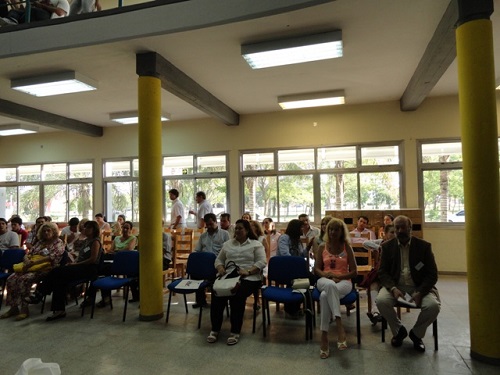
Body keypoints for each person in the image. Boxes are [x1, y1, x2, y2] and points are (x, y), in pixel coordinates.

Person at [376, 215, 440, 353]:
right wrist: (392, 288)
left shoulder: (424, 247)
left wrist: (420, 292)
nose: (399, 231)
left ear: (410, 228)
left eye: (402, 227)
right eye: (396, 228)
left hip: (418, 286)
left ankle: (416, 334)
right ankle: (399, 332)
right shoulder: (387, 247)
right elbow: (382, 272)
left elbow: (432, 274)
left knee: (433, 306)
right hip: (395, 285)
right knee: (381, 301)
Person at [29, 220, 103, 321]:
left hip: (89, 269)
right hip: (79, 266)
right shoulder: (86, 241)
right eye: (85, 227)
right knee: (59, 280)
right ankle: (59, 310)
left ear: (94, 230)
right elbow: (80, 256)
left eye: (88, 228)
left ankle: (40, 292)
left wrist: (75, 264)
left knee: (57, 271)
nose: (85, 229)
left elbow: (93, 259)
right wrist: (74, 262)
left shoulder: (95, 241)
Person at [207, 219, 266, 346]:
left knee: (237, 294)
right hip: (229, 275)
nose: (238, 231)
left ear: (247, 230)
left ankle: (235, 331)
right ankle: (215, 329)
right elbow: (218, 260)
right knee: (217, 293)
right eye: (236, 228)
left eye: (241, 228)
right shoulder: (228, 244)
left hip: (249, 277)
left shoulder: (256, 244)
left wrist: (248, 271)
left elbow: (262, 262)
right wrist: (220, 268)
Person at [0, 222, 65, 321]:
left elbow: (52, 257)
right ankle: (13, 308)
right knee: (11, 279)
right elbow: (29, 253)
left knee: (23, 279)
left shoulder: (58, 242)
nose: (46, 233)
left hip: (45, 269)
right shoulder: (40, 242)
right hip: (30, 266)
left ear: (54, 231)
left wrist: (33, 263)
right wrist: (26, 260)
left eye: (48, 230)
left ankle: (24, 308)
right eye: (44, 231)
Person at [314, 218, 357, 358]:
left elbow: (354, 271)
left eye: (336, 229)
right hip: (325, 280)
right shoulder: (322, 247)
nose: (333, 232)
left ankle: (324, 337)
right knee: (329, 285)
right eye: (330, 229)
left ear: (341, 231)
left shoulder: (346, 247)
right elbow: (316, 269)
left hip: (344, 281)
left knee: (324, 296)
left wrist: (341, 277)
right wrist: (326, 274)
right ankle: (339, 326)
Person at [193, 213, 230, 308]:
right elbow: (198, 251)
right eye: (207, 225)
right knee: (196, 274)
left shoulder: (224, 234)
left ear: (215, 222)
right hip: (205, 264)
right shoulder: (203, 236)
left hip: (219, 264)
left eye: (211, 224)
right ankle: (201, 301)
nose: (208, 227)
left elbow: (229, 251)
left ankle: (216, 302)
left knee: (216, 278)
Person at [363, 224, 396, 325]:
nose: (394, 235)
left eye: (396, 232)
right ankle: (376, 311)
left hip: (392, 274)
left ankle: (377, 312)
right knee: (373, 284)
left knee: (380, 286)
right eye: (391, 232)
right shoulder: (381, 242)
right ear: (385, 234)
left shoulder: (398, 245)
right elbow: (365, 243)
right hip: (381, 272)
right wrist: (379, 247)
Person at [98, 220, 137, 306]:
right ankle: (106, 297)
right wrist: (117, 251)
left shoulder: (133, 238)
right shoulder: (116, 238)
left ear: (131, 229)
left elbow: (129, 249)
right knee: (103, 269)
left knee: (131, 273)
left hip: (125, 261)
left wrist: (116, 251)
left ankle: (135, 295)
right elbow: (111, 249)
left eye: (127, 228)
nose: (125, 229)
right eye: (124, 227)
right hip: (113, 259)